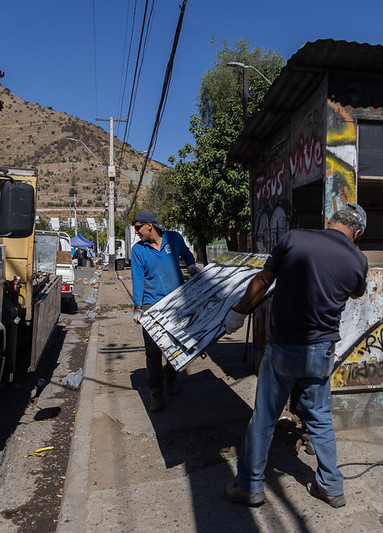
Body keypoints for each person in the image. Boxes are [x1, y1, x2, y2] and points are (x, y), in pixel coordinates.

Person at [223, 203, 369, 508]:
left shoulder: (294, 239)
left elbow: (263, 281)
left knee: (264, 418)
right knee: (320, 420)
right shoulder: (358, 259)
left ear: (329, 220)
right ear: (357, 234)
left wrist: (239, 311)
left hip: (284, 348)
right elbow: (357, 292)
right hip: (321, 351)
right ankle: (330, 486)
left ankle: (250, 487)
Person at [131, 210, 200, 412]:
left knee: (177, 347)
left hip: (177, 302)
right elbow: (138, 278)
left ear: (149, 226)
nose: (136, 232)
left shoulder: (174, 238)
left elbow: (187, 254)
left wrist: (192, 265)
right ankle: (155, 391)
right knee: (153, 352)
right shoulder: (138, 250)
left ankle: (171, 375)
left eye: (138, 228)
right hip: (151, 305)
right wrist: (137, 307)